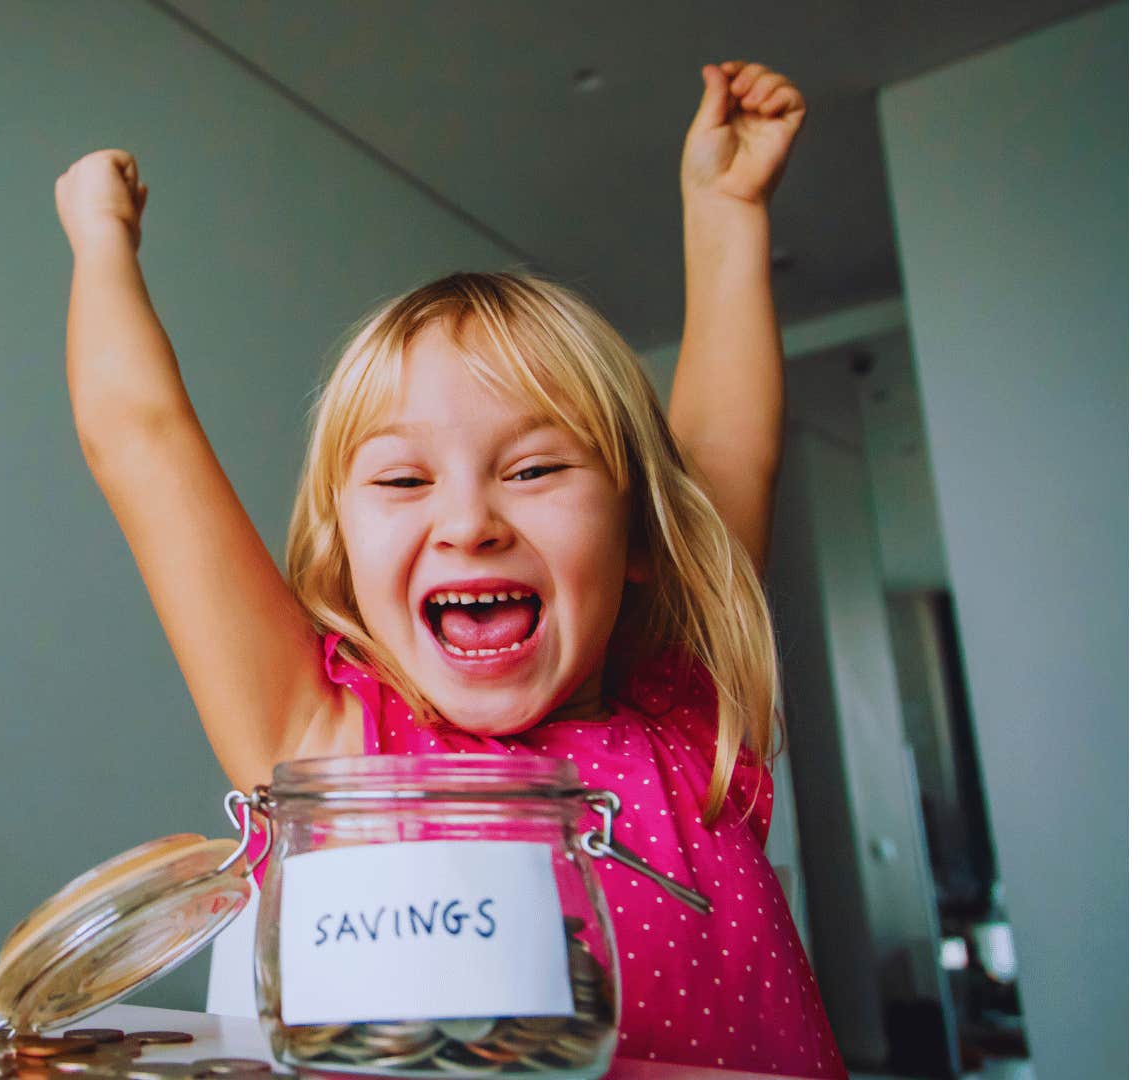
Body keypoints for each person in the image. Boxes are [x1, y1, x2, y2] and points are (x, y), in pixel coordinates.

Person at [55, 60, 842, 1078]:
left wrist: (727, 209)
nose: (469, 521)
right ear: (345, 554)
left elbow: (729, 452)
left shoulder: (692, 729)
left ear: (642, 539)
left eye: (536, 467)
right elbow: (140, 440)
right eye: (402, 479)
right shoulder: (328, 751)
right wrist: (98, 239)